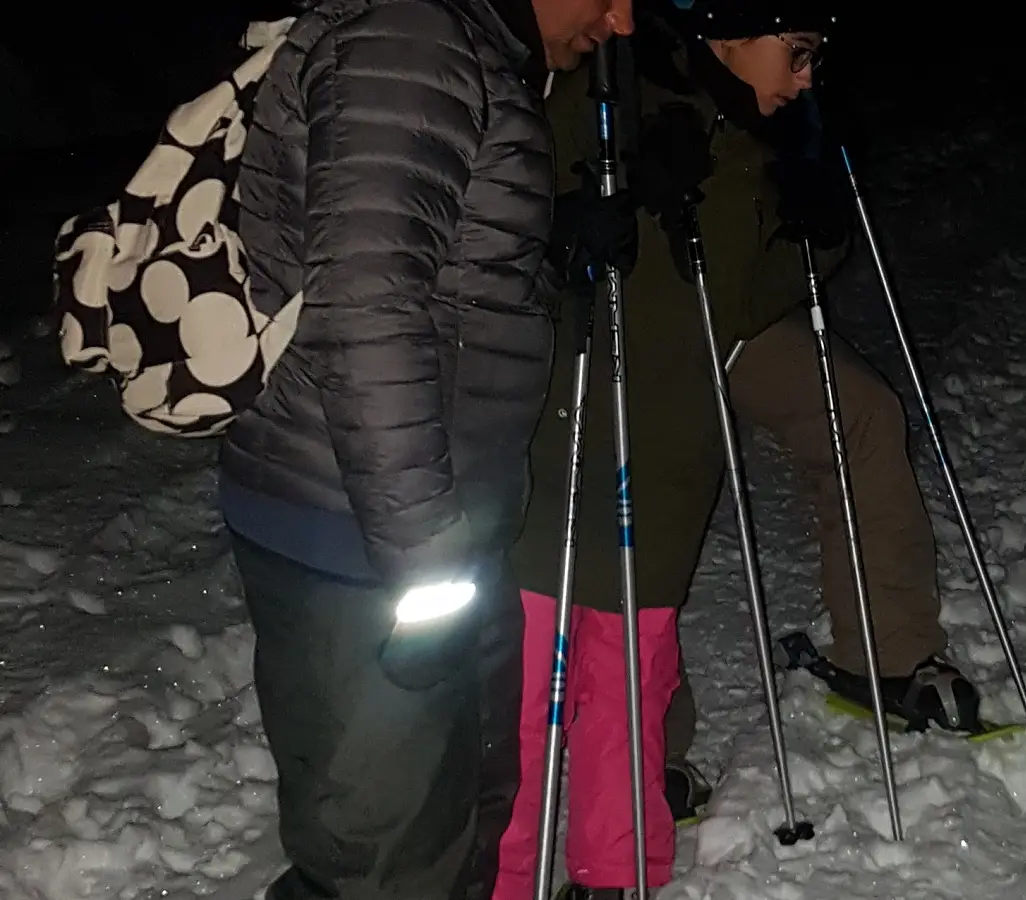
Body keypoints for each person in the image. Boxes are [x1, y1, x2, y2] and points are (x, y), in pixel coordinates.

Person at [495, 2, 981, 897]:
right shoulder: (610, 79)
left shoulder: (755, 139)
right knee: (526, 686)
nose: (806, 78)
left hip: (670, 441)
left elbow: (743, 300)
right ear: (729, 29)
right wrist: (570, 220)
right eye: (795, 53)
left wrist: (815, 221)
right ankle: (497, 871)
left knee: (632, 672)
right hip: (567, 426)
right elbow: (500, 212)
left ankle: (617, 866)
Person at [217, 0, 632, 897]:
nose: (622, 18)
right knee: (385, 860)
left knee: (457, 829)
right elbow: (367, 302)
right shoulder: (413, 33)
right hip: (362, 535)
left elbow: (429, 260)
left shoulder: (460, 41)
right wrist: (423, 563)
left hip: (420, 528)